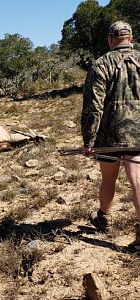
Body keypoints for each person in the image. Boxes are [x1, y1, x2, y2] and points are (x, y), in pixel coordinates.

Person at [81, 21, 140, 247]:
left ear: (110, 39)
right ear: (131, 38)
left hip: (109, 135)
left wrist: (89, 139)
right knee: (137, 181)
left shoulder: (100, 64)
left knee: (108, 178)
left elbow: (93, 107)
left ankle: (103, 218)